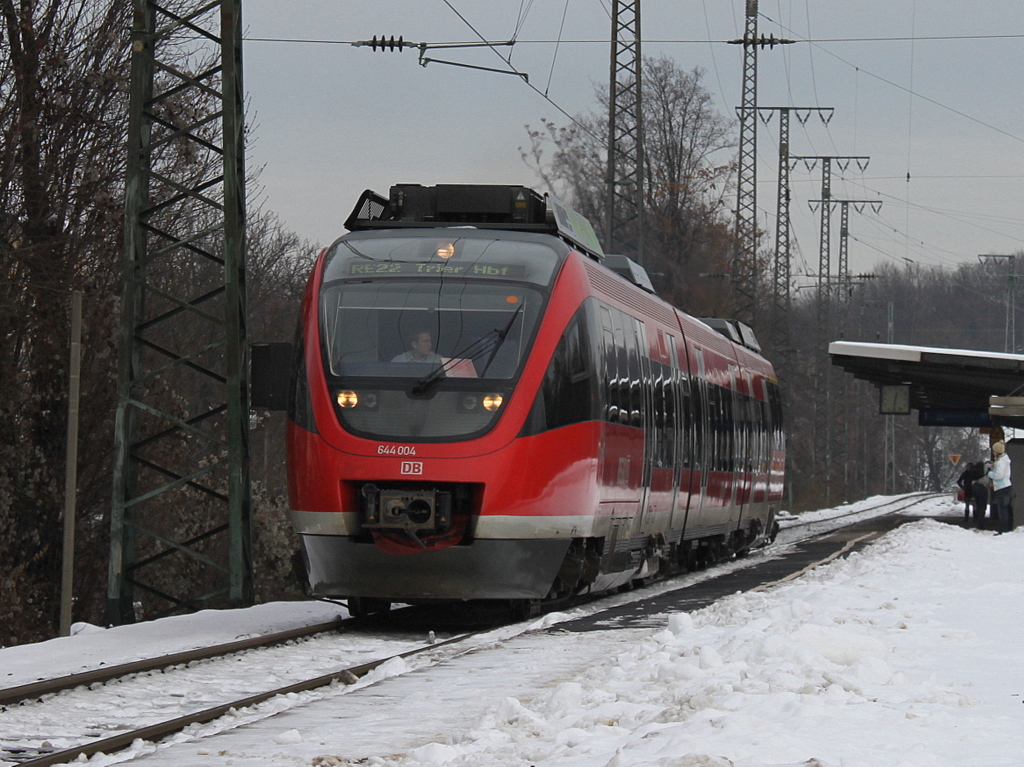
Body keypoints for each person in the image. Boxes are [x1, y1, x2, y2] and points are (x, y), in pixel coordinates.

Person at [986, 441, 1013, 534]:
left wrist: (989, 473)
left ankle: (1003, 530)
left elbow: (999, 475)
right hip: (1006, 486)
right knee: (1006, 509)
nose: (993, 452)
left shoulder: (1001, 462)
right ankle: (1007, 528)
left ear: (997, 451)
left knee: (1002, 510)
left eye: (994, 450)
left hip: (1002, 487)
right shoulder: (1004, 460)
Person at [957, 461, 985, 526]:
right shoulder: (975, 474)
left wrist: (963, 487)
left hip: (967, 490)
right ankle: (974, 518)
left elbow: (959, 481)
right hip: (973, 490)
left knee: (967, 505)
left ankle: (966, 518)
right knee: (974, 505)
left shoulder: (965, 473)